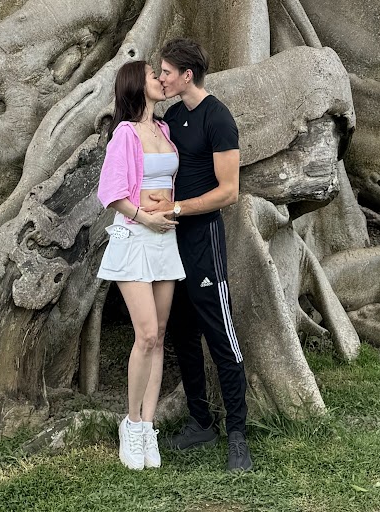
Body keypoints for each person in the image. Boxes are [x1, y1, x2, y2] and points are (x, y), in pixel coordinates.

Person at [154, 37, 252, 474]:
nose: (161, 78)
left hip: (203, 239)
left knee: (221, 334)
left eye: (166, 72)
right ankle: (200, 422)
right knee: (180, 331)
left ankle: (238, 435)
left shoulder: (219, 118)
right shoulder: (172, 117)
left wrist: (177, 208)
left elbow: (228, 192)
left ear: (186, 75)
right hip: (167, 239)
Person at [96, 57, 184, 471]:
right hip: (135, 238)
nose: (161, 80)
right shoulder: (125, 135)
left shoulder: (164, 130)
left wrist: (169, 212)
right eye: (155, 76)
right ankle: (130, 424)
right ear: (137, 84)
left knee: (161, 334)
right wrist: (144, 216)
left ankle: (148, 425)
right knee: (145, 334)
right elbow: (111, 192)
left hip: (166, 239)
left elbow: (168, 184)